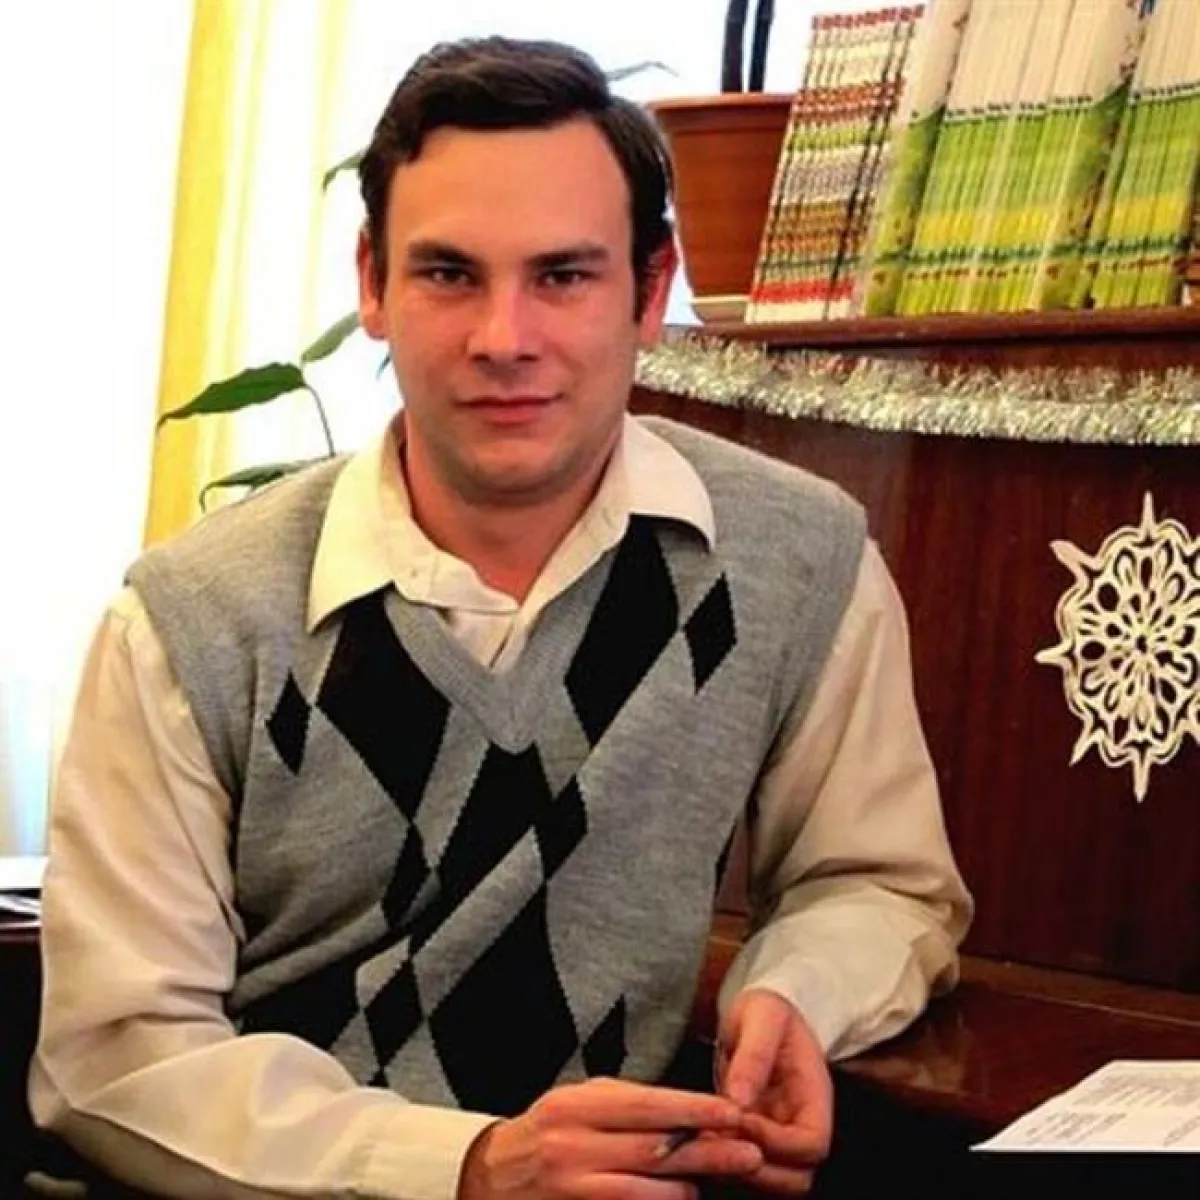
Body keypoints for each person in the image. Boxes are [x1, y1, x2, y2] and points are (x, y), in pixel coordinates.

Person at [31, 35, 972, 1200]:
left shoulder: (799, 560)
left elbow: (880, 885)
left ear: (651, 290)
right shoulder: (190, 623)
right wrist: (467, 1167)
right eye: (449, 274)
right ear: (373, 284)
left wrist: (797, 991)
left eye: (563, 276)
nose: (504, 338)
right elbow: (117, 1058)